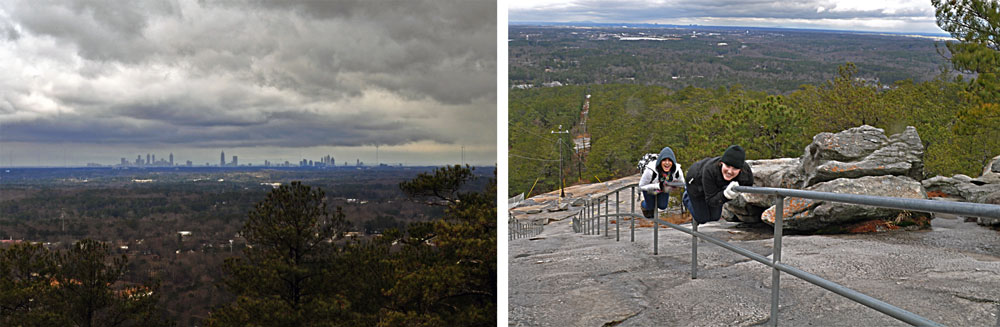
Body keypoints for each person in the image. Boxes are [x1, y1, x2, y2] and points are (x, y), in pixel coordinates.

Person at [683, 145, 753, 224]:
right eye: (727, 166)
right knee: (702, 218)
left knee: (715, 217)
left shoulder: (745, 170)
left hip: (714, 186)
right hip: (696, 184)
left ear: (741, 169)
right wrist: (726, 195)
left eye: (735, 168)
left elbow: (748, 185)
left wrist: (736, 189)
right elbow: (711, 200)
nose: (730, 171)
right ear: (721, 163)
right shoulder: (710, 170)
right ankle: (686, 197)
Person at [639, 146, 684, 219]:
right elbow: (641, 186)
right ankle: (643, 205)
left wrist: (673, 185)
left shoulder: (677, 170)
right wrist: (658, 186)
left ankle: (652, 208)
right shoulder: (650, 170)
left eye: (670, 160)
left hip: (664, 188)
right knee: (650, 206)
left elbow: (682, 183)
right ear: (660, 161)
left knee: (663, 206)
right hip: (649, 188)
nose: (667, 163)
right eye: (664, 160)